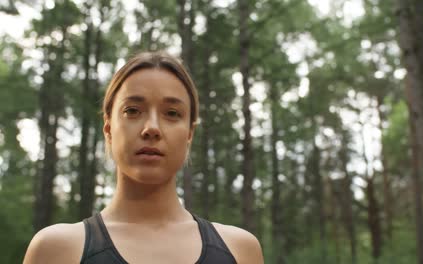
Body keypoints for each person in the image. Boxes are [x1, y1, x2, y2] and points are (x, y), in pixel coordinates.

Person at [23, 51, 264, 264]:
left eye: (172, 113)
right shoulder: (57, 250)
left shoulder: (239, 251)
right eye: (132, 111)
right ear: (108, 128)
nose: (151, 128)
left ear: (190, 133)